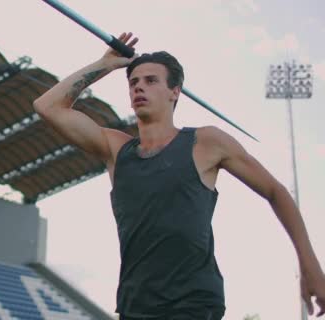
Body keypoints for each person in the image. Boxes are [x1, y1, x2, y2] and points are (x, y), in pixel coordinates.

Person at [33, 32, 325, 319]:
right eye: (133, 82)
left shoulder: (206, 142)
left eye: (151, 80)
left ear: (175, 91)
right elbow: (47, 106)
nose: (138, 87)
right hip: (135, 304)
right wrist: (105, 64)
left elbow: (275, 191)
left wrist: (310, 264)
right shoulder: (116, 149)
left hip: (193, 304)